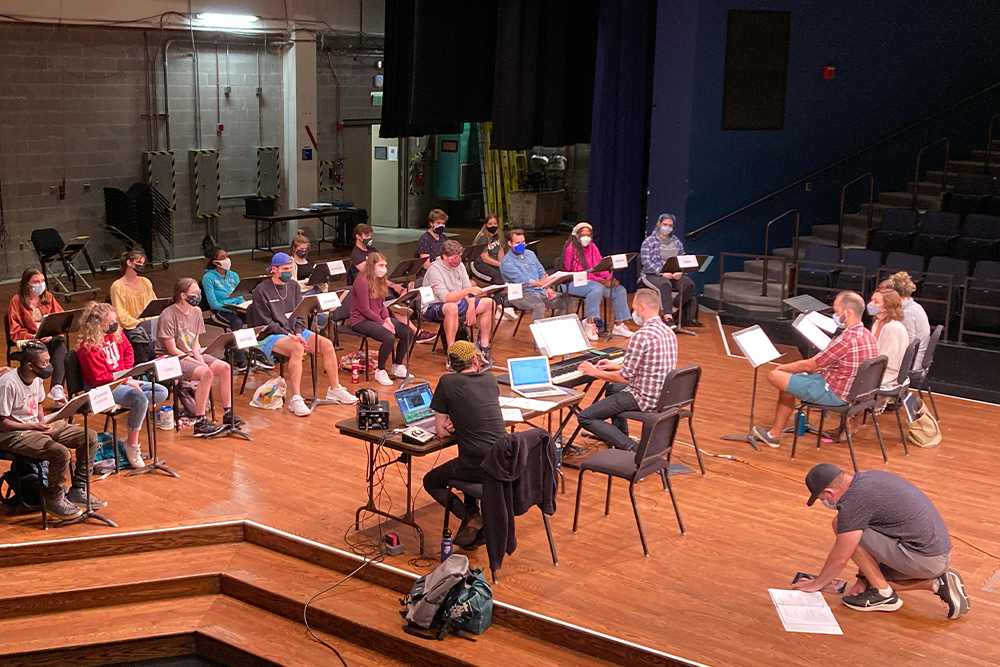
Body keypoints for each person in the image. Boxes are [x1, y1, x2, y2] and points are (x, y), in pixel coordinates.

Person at [795, 463, 969, 619]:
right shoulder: (869, 478)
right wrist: (863, 579)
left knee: (841, 525)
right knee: (872, 578)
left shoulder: (853, 502)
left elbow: (841, 556)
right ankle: (938, 583)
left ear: (829, 492)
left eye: (822, 499)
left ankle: (884, 594)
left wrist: (816, 584)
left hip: (924, 560)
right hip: (933, 553)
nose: (825, 502)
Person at [753, 291, 878, 448]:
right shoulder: (868, 335)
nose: (835, 315)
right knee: (788, 384)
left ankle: (774, 435)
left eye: (836, 311)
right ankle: (774, 434)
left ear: (848, 312)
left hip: (835, 393)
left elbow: (810, 365)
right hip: (854, 392)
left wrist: (782, 367)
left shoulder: (846, 340)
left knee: (775, 376)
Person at [247, 252, 358, 417]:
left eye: (289, 268)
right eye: (285, 269)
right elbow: (265, 323)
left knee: (326, 344)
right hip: (271, 334)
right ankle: (296, 398)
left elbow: (300, 313)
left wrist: (298, 332)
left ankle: (335, 389)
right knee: (298, 349)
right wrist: (288, 334)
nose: (288, 272)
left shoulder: (293, 286)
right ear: (274, 270)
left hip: (293, 331)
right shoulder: (261, 291)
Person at [0, 341, 100, 519]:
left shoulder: (37, 378)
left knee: (89, 436)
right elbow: (3, 423)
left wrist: (40, 421)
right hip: (12, 434)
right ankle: (54, 497)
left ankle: (79, 488)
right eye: (45, 362)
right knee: (60, 453)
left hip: (35, 425)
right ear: (30, 365)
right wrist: (33, 426)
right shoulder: (7, 384)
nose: (49, 366)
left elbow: (38, 403)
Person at [423, 341, 507, 549]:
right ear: (475, 360)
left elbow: (441, 432)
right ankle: (474, 521)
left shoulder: (447, 382)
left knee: (431, 481)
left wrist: (453, 419)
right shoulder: (489, 379)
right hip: (504, 459)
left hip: (476, 463)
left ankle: (470, 515)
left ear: (451, 364)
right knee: (465, 462)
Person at [575, 289, 677, 450]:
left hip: (644, 397)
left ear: (642, 307)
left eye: (634, 308)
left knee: (585, 416)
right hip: (663, 393)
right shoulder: (668, 332)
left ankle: (632, 448)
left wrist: (594, 372)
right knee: (613, 389)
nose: (634, 312)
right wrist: (613, 366)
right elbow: (649, 364)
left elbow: (625, 378)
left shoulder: (641, 335)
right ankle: (619, 436)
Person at [76, 302, 168, 469]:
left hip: (123, 381)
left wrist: (127, 376)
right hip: (103, 388)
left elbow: (128, 351)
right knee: (140, 399)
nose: (115, 324)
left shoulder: (117, 334)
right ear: (98, 324)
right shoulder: (88, 347)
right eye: (110, 322)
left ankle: (129, 403)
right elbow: (99, 378)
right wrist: (126, 382)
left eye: (115, 320)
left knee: (160, 391)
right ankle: (131, 445)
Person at [156, 278, 234, 437]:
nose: (199, 295)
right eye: (195, 293)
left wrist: (199, 357)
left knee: (225, 368)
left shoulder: (196, 311)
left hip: (190, 354)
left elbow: (195, 343)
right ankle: (200, 421)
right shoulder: (168, 314)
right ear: (183, 295)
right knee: (206, 373)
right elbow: (172, 349)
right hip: (170, 358)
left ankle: (228, 413)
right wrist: (197, 362)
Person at [348, 223, 435, 344]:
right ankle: (415, 331)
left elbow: (381, 274)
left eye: (371, 235)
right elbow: (372, 276)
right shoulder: (356, 255)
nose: (369, 237)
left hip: (380, 283)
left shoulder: (372, 250)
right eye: (366, 235)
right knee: (392, 301)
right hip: (369, 287)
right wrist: (393, 285)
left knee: (408, 285)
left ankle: (404, 314)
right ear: (358, 236)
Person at [422, 240, 494, 365]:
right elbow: (447, 298)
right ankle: (452, 353)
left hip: (458, 301)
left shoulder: (459, 266)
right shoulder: (435, 270)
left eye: (459, 256)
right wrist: (468, 290)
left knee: (489, 303)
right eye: (455, 257)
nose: (458, 259)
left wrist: (471, 306)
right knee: (451, 307)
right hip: (434, 305)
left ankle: (484, 346)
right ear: (445, 256)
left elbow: (466, 290)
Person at [349, 253, 414, 385]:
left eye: (385, 265)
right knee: (388, 336)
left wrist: (387, 319)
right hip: (361, 320)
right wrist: (382, 322)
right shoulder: (361, 281)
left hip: (377, 317)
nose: (384, 268)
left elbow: (382, 305)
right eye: (381, 265)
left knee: (408, 331)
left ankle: (397, 365)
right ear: (372, 265)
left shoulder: (380, 280)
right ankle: (380, 370)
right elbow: (365, 310)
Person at [562, 222, 633, 341]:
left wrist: (608, 278)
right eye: (583, 234)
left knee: (619, 290)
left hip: (594, 282)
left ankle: (619, 325)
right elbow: (580, 273)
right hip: (573, 282)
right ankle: (590, 324)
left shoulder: (592, 247)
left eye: (588, 234)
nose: (586, 237)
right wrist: (601, 282)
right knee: (596, 288)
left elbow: (600, 266)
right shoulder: (571, 249)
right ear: (577, 235)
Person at [7, 268, 68, 405]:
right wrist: (34, 337)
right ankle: (34, 395)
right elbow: (14, 330)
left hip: (49, 338)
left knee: (60, 342)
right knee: (44, 349)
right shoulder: (16, 301)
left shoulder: (48, 297)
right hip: (30, 341)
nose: (40, 284)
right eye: (36, 281)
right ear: (27, 283)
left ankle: (57, 388)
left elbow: (60, 319)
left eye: (42, 281)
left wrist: (52, 335)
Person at [639, 213, 702, 327]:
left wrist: (680, 271)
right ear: (659, 224)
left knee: (689, 285)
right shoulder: (649, 242)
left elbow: (682, 257)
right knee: (665, 284)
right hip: (652, 274)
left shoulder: (676, 241)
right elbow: (646, 262)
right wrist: (661, 272)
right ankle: (668, 317)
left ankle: (673, 308)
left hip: (674, 273)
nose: (667, 227)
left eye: (670, 225)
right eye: (665, 224)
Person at [499, 228, 569, 322]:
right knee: (539, 305)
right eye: (517, 243)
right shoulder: (506, 262)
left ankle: (556, 325)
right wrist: (541, 284)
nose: (521, 245)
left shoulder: (530, 254)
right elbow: (523, 279)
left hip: (540, 290)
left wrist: (547, 288)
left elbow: (541, 272)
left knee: (567, 300)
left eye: (523, 242)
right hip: (520, 294)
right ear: (510, 243)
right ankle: (538, 333)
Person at [202, 246, 249, 371]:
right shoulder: (209, 277)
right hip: (219, 311)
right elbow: (213, 303)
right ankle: (240, 360)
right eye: (222, 258)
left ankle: (260, 354)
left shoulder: (234, 275)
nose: (226, 259)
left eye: (226, 256)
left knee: (255, 315)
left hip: (236, 309)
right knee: (236, 322)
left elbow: (239, 296)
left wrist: (243, 307)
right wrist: (231, 309)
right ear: (215, 262)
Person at [110, 249, 158, 363]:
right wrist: (140, 324)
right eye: (139, 262)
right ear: (129, 263)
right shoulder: (117, 286)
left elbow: (154, 305)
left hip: (149, 323)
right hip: (132, 327)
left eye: (143, 263)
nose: (141, 266)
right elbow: (121, 314)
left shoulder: (146, 282)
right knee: (141, 337)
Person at [880, 271, 930, 370]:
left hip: (912, 363)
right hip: (913, 359)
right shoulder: (914, 306)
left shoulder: (907, 314)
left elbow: (906, 347)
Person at [868, 288, 909, 386]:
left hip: (888, 375)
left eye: (876, 302)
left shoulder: (892, 328)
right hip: (877, 369)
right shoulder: (877, 323)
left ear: (887, 306)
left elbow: (888, 361)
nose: (871, 304)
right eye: (871, 300)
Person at [470, 214, 505, 285]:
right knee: (497, 277)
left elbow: (500, 251)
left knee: (505, 274)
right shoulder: (482, 238)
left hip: (494, 262)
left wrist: (504, 264)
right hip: (480, 264)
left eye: (495, 223)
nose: (493, 226)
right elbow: (485, 258)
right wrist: (500, 264)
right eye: (490, 224)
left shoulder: (499, 235)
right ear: (486, 225)